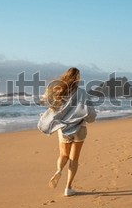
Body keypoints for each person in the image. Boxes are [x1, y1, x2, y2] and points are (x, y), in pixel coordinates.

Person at [37, 67, 97, 196]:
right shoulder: (82, 92)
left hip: (64, 129)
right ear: (78, 78)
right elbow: (90, 113)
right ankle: (68, 188)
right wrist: (90, 117)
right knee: (74, 159)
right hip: (80, 128)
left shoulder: (59, 91)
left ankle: (59, 170)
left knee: (63, 155)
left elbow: (47, 102)